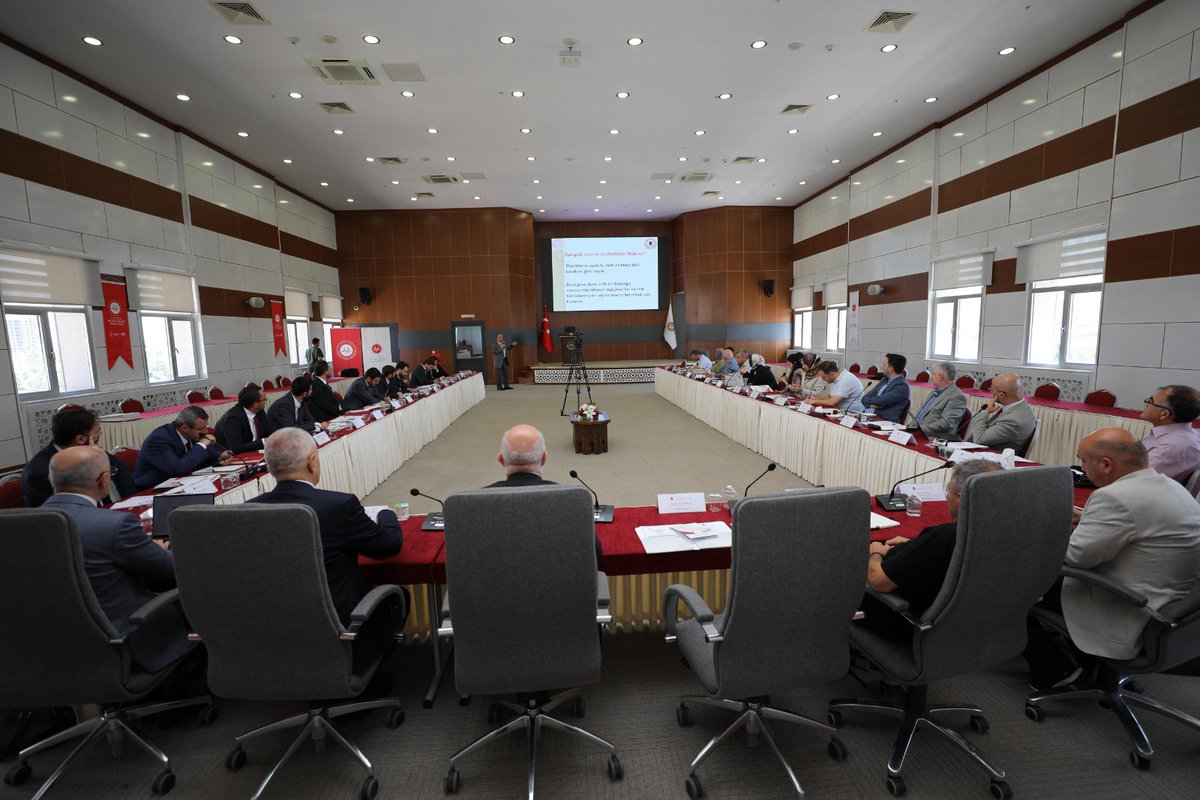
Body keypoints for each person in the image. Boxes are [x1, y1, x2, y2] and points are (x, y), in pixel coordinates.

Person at [1024, 429, 1200, 689]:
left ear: (1106, 464)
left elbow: (1074, 558)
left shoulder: (1114, 497)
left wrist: (1039, 529)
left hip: (1133, 608)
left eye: (1083, 460)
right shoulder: (1168, 485)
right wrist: (1086, 518)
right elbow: (1140, 525)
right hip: (1176, 606)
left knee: (1014, 589)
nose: (1081, 467)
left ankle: (1056, 671)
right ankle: (1086, 662)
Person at [248, 428, 405, 670]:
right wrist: (387, 515)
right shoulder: (339, 505)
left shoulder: (248, 510)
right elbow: (387, 546)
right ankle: (370, 676)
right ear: (312, 462)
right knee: (399, 596)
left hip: (274, 629)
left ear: (270, 467)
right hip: (340, 626)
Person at [43, 447, 189, 672]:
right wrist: (160, 549)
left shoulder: (21, 525)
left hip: (46, 643)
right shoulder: (116, 525)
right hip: (122, 638)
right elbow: (170, 569)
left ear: (50, 479)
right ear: (103, 480)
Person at [861, 460, 1004, 638]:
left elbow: (879, 581)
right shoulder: (1004, 530)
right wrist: (914, 546)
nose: (947, 497)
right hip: (980, 625)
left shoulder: (943, 537)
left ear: (961, 496)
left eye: (948, 490)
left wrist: (875, 552)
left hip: (913, 625)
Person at [485, 424, 603, 562]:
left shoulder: (472, 504)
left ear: (501, 460)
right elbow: (595, 553)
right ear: (544, 458)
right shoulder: (572, 500)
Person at [21, 407, 136, 507]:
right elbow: (73, 506)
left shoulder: (90, 450)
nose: (100, 434)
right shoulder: (38, 473)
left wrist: (129, 501)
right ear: (81, 439)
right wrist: (93, 460)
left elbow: (120, 467)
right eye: (97, 431)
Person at [133, 406, 231, 490]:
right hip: (152, 489)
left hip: (182, 483)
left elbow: (204, 455)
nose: (205, 432)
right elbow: (178, 468)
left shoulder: (191, 434)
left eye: (206, 427)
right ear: (184, 428)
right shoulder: (159, 439)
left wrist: (220, 457)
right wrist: (202, 444)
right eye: (201, 429)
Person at [1140, 384, 1200, 495]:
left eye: (1150, 401)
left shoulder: (1172, 446)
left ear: (1164, 413)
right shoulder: (1186, 435)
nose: (1146, 403)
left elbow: (1135, 480)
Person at [965, 373, 1037, 452]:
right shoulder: (1019, 407)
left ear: (1001, 395)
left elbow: (979, 440)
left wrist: (984, 412)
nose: (991, 393)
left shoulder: (1014, 420)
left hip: (989, 459)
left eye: (992, 390)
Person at [908, 361, 969, 440]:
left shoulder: (957, 397)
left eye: (933, 373)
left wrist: (920, 429)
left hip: (933, 438)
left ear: (940, 376)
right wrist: (909, 427)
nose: (931, 377)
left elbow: (946, 424)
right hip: (918, 433)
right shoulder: (935, 391)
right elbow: (922, 415)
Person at [213, 385, 270, 453]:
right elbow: (236, 448)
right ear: (255, 405)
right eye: (264, 399)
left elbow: (266, 433)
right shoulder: (232, 418)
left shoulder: (259, 411)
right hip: (230, 457)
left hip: (255, 451)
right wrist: (263, 441)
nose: (266, 401)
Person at [860, 353, 911, 423]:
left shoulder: (902, 386)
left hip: (885, 422)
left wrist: (873, 404)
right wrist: (872, 405)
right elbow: (864, 398)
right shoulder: (884, 380)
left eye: (884, 364)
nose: (881, 367)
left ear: (890, 369)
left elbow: (880, 401)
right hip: (869, 417)